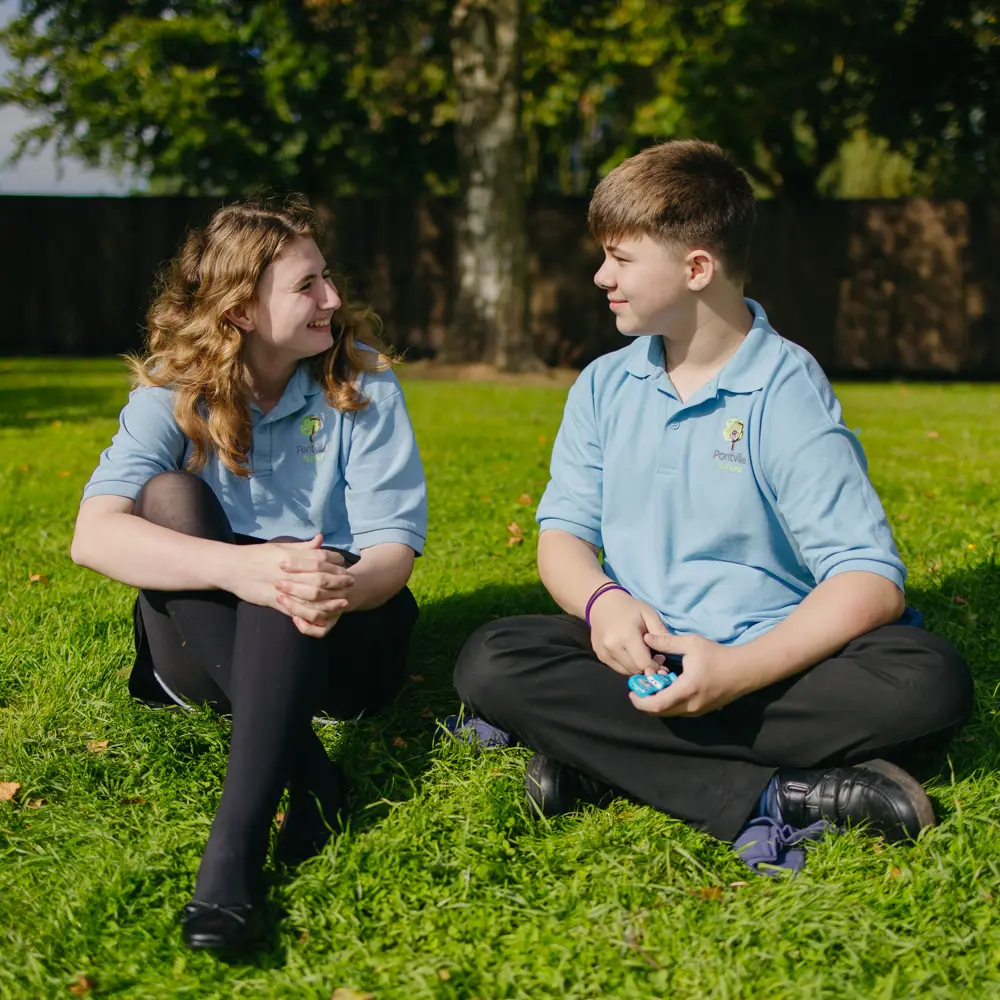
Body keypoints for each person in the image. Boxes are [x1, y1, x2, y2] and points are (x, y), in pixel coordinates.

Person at [453, 140, 973, 874]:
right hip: (638, 660)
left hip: (774, 665)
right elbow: (563, 535)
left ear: (697, 268)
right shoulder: (603, 386)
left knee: (927, 678)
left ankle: (606, 759)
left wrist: (735, 671)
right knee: (492, 660)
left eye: (621, 258)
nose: (601, 277)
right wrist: (603, 604)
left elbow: (870, 578)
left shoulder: (785, 388)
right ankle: (787, 793)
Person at [71, 196, 426, 949]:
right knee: (169, 498)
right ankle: (314, 783)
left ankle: (228, 860)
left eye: (326, 278)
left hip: (344, 639)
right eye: (307, 286)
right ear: (239, 310)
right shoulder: (172, 389)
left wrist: (335, 585)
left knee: (294, 563)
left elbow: (393, 550)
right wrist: (242, 568)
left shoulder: (362, 382)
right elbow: (92, 535)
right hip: (206, 649)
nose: (332, 298)